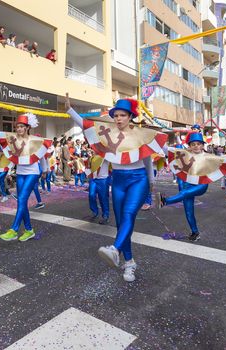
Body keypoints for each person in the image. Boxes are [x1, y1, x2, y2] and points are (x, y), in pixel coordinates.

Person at [67, 93, 167, 282]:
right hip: (118, 180)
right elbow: (85, 125)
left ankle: (115, 249)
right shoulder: (109, 133)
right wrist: (69, 110)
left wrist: (151, 183)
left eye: (122, 115)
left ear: (130, 117)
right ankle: (129, 263)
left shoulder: (142, 134)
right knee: (121, 223)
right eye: (116, 115)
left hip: (138, 180)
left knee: (129, 214)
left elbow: (147, 161)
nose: (118, 118)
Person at [0, 110, 50, 242]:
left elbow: (42, 155)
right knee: (22, 201)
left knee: (21, 199)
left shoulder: (35, 140)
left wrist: (44, 170)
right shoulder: (13, 139)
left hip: (32, 173)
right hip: (20, 173)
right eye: (17, 127)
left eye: (21, 126)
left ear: (27, 128)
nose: (19, 129)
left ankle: (14, 230)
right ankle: (29, 230)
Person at [156, 132, 226, 241]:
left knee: (183, 193)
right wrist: (156, 138)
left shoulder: (208, 157)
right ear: (189, 146)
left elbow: (222, 165)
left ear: (202, 145)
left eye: (199, 144)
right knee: (188, 210)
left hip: (201, 185)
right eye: (193, 144)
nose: (196, 146)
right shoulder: (183, 155)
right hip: (186, 184)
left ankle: (165, 201)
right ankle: (195, 232)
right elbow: (167, 149)